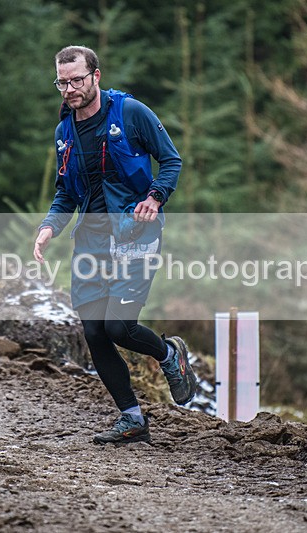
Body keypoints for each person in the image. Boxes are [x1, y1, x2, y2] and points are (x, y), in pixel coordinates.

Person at [33, 45, 197, 444]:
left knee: (118, 327)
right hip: (91, 240)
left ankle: (169, 355)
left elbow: (171, 160)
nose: (70, 89)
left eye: (77, 80)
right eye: (62, 82)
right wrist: (49, 227)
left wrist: (155, 197)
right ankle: (132, 419)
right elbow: (65, 193)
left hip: (135, 234)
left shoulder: (131, 113)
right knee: (93, 332)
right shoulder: (64, 132)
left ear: (96, 76)